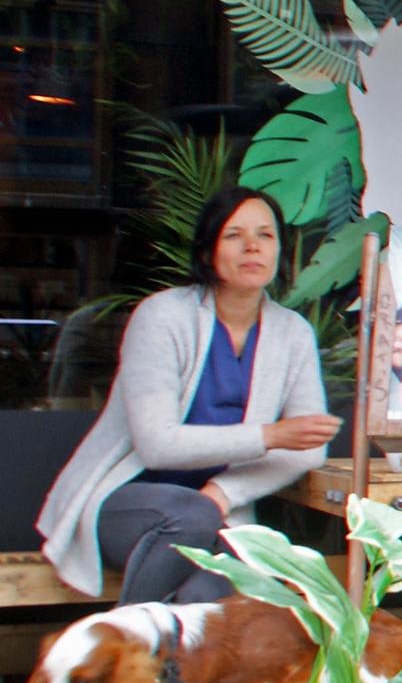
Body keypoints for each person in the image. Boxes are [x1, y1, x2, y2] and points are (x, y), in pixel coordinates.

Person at [39, 186, 341, 604]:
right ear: (206, 252)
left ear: (280, 251)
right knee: (192, 515)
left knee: (210, 588)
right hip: (126, 502)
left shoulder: (293, 332)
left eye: (265, 235)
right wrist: (270, 435)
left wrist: (223, 492)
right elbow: (157, 445)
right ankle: (130, 635)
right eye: (234, 235)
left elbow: (307, 449)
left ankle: (141, 645)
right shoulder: (162, 316)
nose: (252, 246)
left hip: (219, 514)